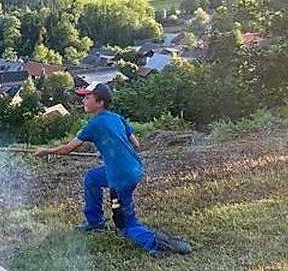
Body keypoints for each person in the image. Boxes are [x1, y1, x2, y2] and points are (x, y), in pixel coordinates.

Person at [34, 83, 191, 255]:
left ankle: (160, 244)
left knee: (125, 225)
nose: (84, 101)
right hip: (134, 168)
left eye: (88, 97)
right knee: (92, 179)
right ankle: (95, 222)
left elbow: (67, 149)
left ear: (100, 102)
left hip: (121, 175)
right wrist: (109, 151)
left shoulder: (93, 125)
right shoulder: (117, 118)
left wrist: (46, 151)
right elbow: (135, 143)